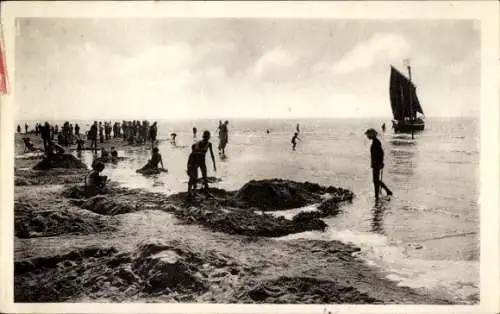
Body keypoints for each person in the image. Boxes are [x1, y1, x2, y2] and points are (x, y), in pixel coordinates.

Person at [364, 128, 393, 202]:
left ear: (372, 134)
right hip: (375, 163)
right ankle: (377, 195)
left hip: (377, 163)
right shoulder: (375, 141)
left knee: (375, 180)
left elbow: (381, 153)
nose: (367, 136)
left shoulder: (376, 142)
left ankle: (387, 191)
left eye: (368, 134)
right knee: (375, 180)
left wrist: (381, 162)